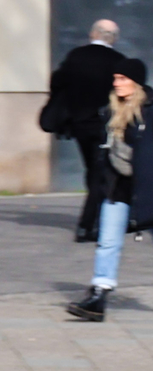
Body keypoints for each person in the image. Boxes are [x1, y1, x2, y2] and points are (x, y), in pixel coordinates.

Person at [67, 61, 153, 321]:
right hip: (117, 190)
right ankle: (99, 296)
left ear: (135, 82)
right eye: (115, 78)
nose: (116, 83)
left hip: (148, 191)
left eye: (122, 78)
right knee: (108, 243)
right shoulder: (110, 113)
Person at [40, 19, 125, 242]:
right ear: (113, 38)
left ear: (93, 34)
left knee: (93, 169)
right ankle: (88, 224)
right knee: (100, 173)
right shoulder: (118, 61)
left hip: (79, 124)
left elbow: (57, 82)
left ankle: (93, 217)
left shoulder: (75, 56)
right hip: (105, 124)